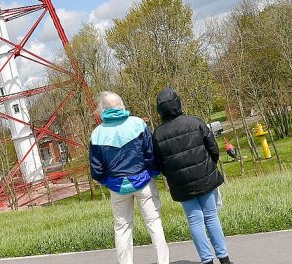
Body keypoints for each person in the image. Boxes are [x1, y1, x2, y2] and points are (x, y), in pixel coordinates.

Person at [152, 88, 232, 264]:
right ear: (178, 103)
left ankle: (207, 260)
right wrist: (210, 165)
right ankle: (224, 259)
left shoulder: (157, 134)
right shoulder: (195, 122)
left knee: (194, 221)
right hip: (205, 176)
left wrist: (172, 175)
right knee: (211, 217)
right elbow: (213, 149)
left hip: (181, 184)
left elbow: (158, 163)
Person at [90, 91, 169, 264]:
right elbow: (151, 153)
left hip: (117, 186)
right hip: (144, 182)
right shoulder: (138, 123)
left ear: (102, 109)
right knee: (154, 223)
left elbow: (96, 169)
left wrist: (108, 182)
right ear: (121, 105)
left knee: (122, 228)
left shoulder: (97, 134)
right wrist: (152, 174)